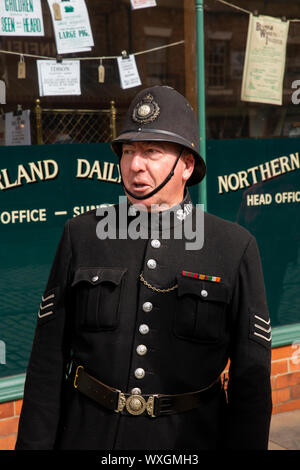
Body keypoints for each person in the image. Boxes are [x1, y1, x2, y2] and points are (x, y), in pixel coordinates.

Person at [15, 86, 272, 450]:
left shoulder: (233, 247)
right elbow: (46, 363)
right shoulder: (82, 235)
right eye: (129, 151)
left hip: (189, 441)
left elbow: (252, 386)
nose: (135, 164)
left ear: (186, 165)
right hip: (88, 434)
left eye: (151, 151)